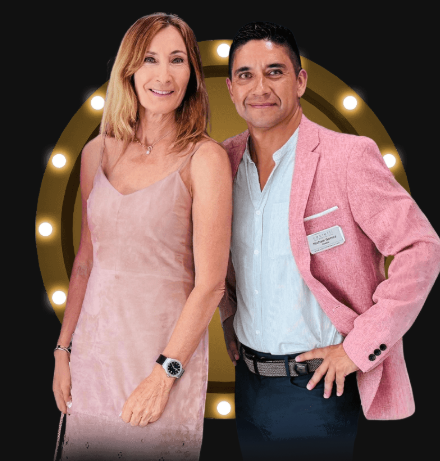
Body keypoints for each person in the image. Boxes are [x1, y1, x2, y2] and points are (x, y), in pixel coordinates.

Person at [219, 21, 440, 461]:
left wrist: (357, 350)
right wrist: (229, 316)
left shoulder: (348, 157)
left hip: (319, 387)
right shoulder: (222, 161)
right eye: (245, 75)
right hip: (249, 382)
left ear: (300, 81)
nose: (259, 87)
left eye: (275, 71)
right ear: (230, 89)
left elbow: (422, 248)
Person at [52, 12, 232, 461]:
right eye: (150, 59)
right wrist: (62, 350)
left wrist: (163, 375)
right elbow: (86, 262)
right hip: (93, 357)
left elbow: (210, 285)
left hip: (162, 360)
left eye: (177, 59)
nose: (163, 75)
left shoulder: (205, 158)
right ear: (129, 69)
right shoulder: (96, 152)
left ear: (192, 73)